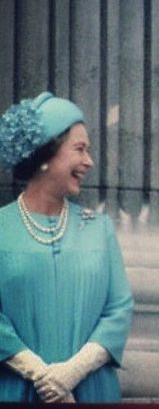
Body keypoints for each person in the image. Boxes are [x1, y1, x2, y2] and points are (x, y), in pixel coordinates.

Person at [0, 92, 134, 403]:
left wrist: (72, 372)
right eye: (80, 149)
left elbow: (119, 310)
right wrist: (43, 376)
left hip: (90, 392)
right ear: (46, 153)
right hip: (15, 392)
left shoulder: (99, 229)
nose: (89, 161)